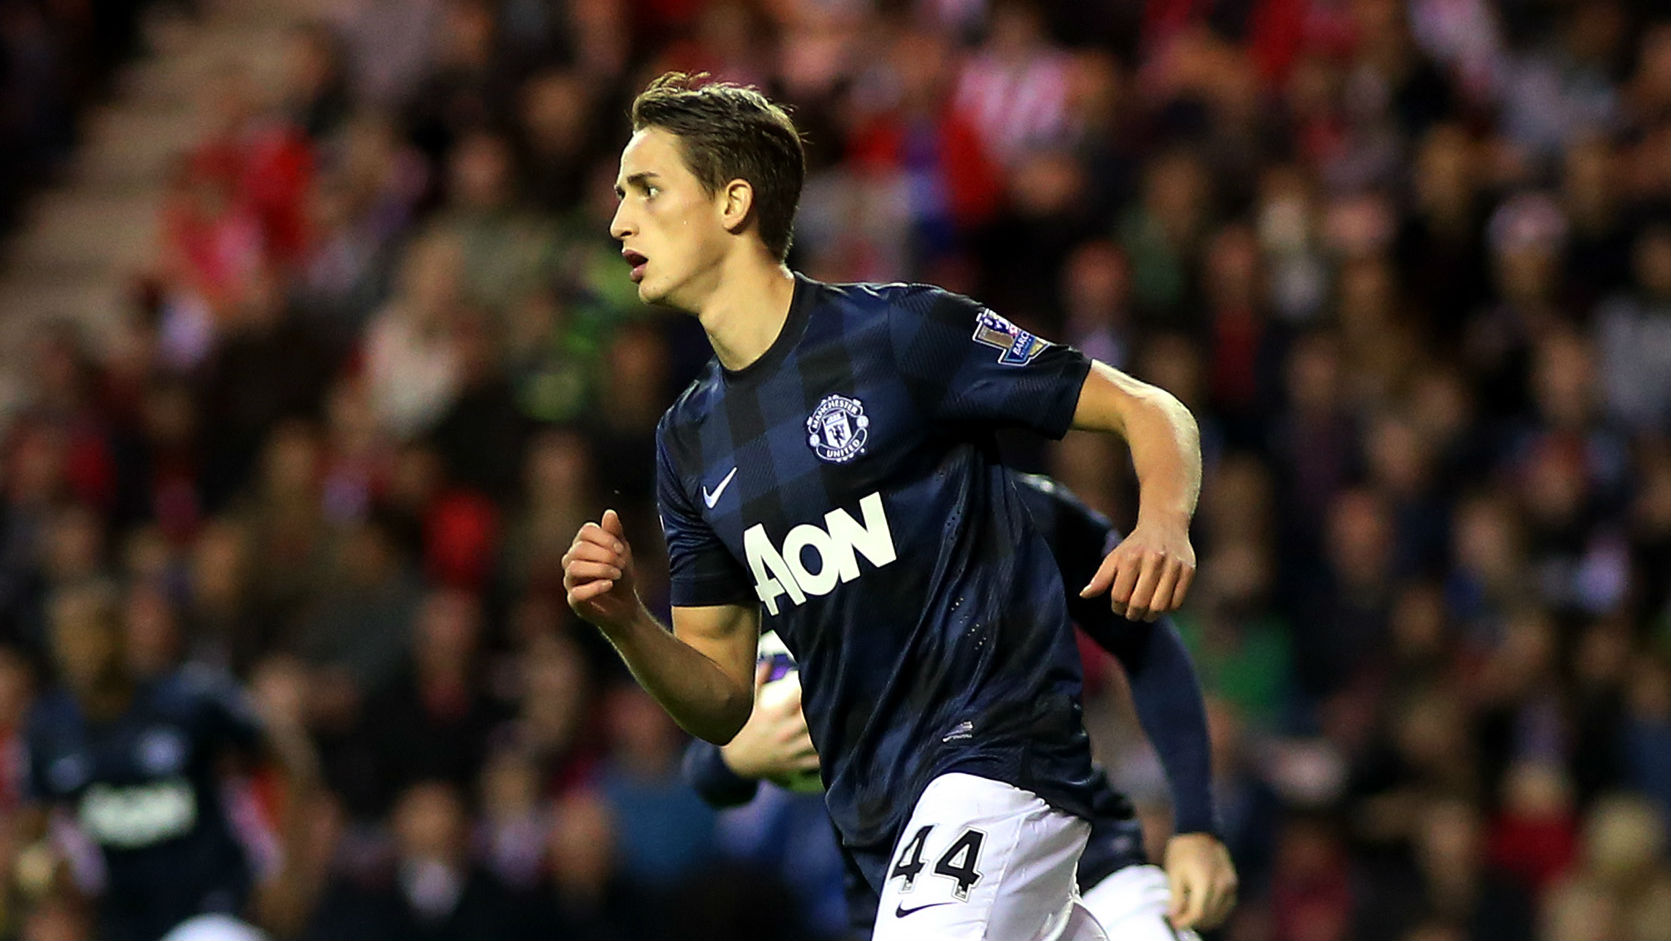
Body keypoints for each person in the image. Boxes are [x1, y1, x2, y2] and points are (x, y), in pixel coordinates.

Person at [562, 72, 1233, 940]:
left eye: (647, 189)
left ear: (734, 202)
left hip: (1000, 755)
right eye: (620, 196)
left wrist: (1162, 521)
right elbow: (724, 698)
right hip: (880, 819)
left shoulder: (897, 335)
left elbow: (1146, 409)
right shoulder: (686, 441)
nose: (619, 220)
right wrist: (626, 621)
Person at [683, 472, 1234, 940]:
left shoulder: (1015, 508)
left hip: (1085, 864)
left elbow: (1145, 641)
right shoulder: (802, 565)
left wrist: (1195, 824)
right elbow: (704, 760)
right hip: (904, 892)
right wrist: (733, 758)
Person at [8, 582, 319, 941]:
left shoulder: (189, 700)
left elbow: (293, 762)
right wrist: (46, 871)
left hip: (214, 908)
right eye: (70, 637)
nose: (84, 650)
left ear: (122, 633)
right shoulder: (48, 728)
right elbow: (31, 830)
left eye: (95, 632)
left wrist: (289, 873)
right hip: (122, 921)